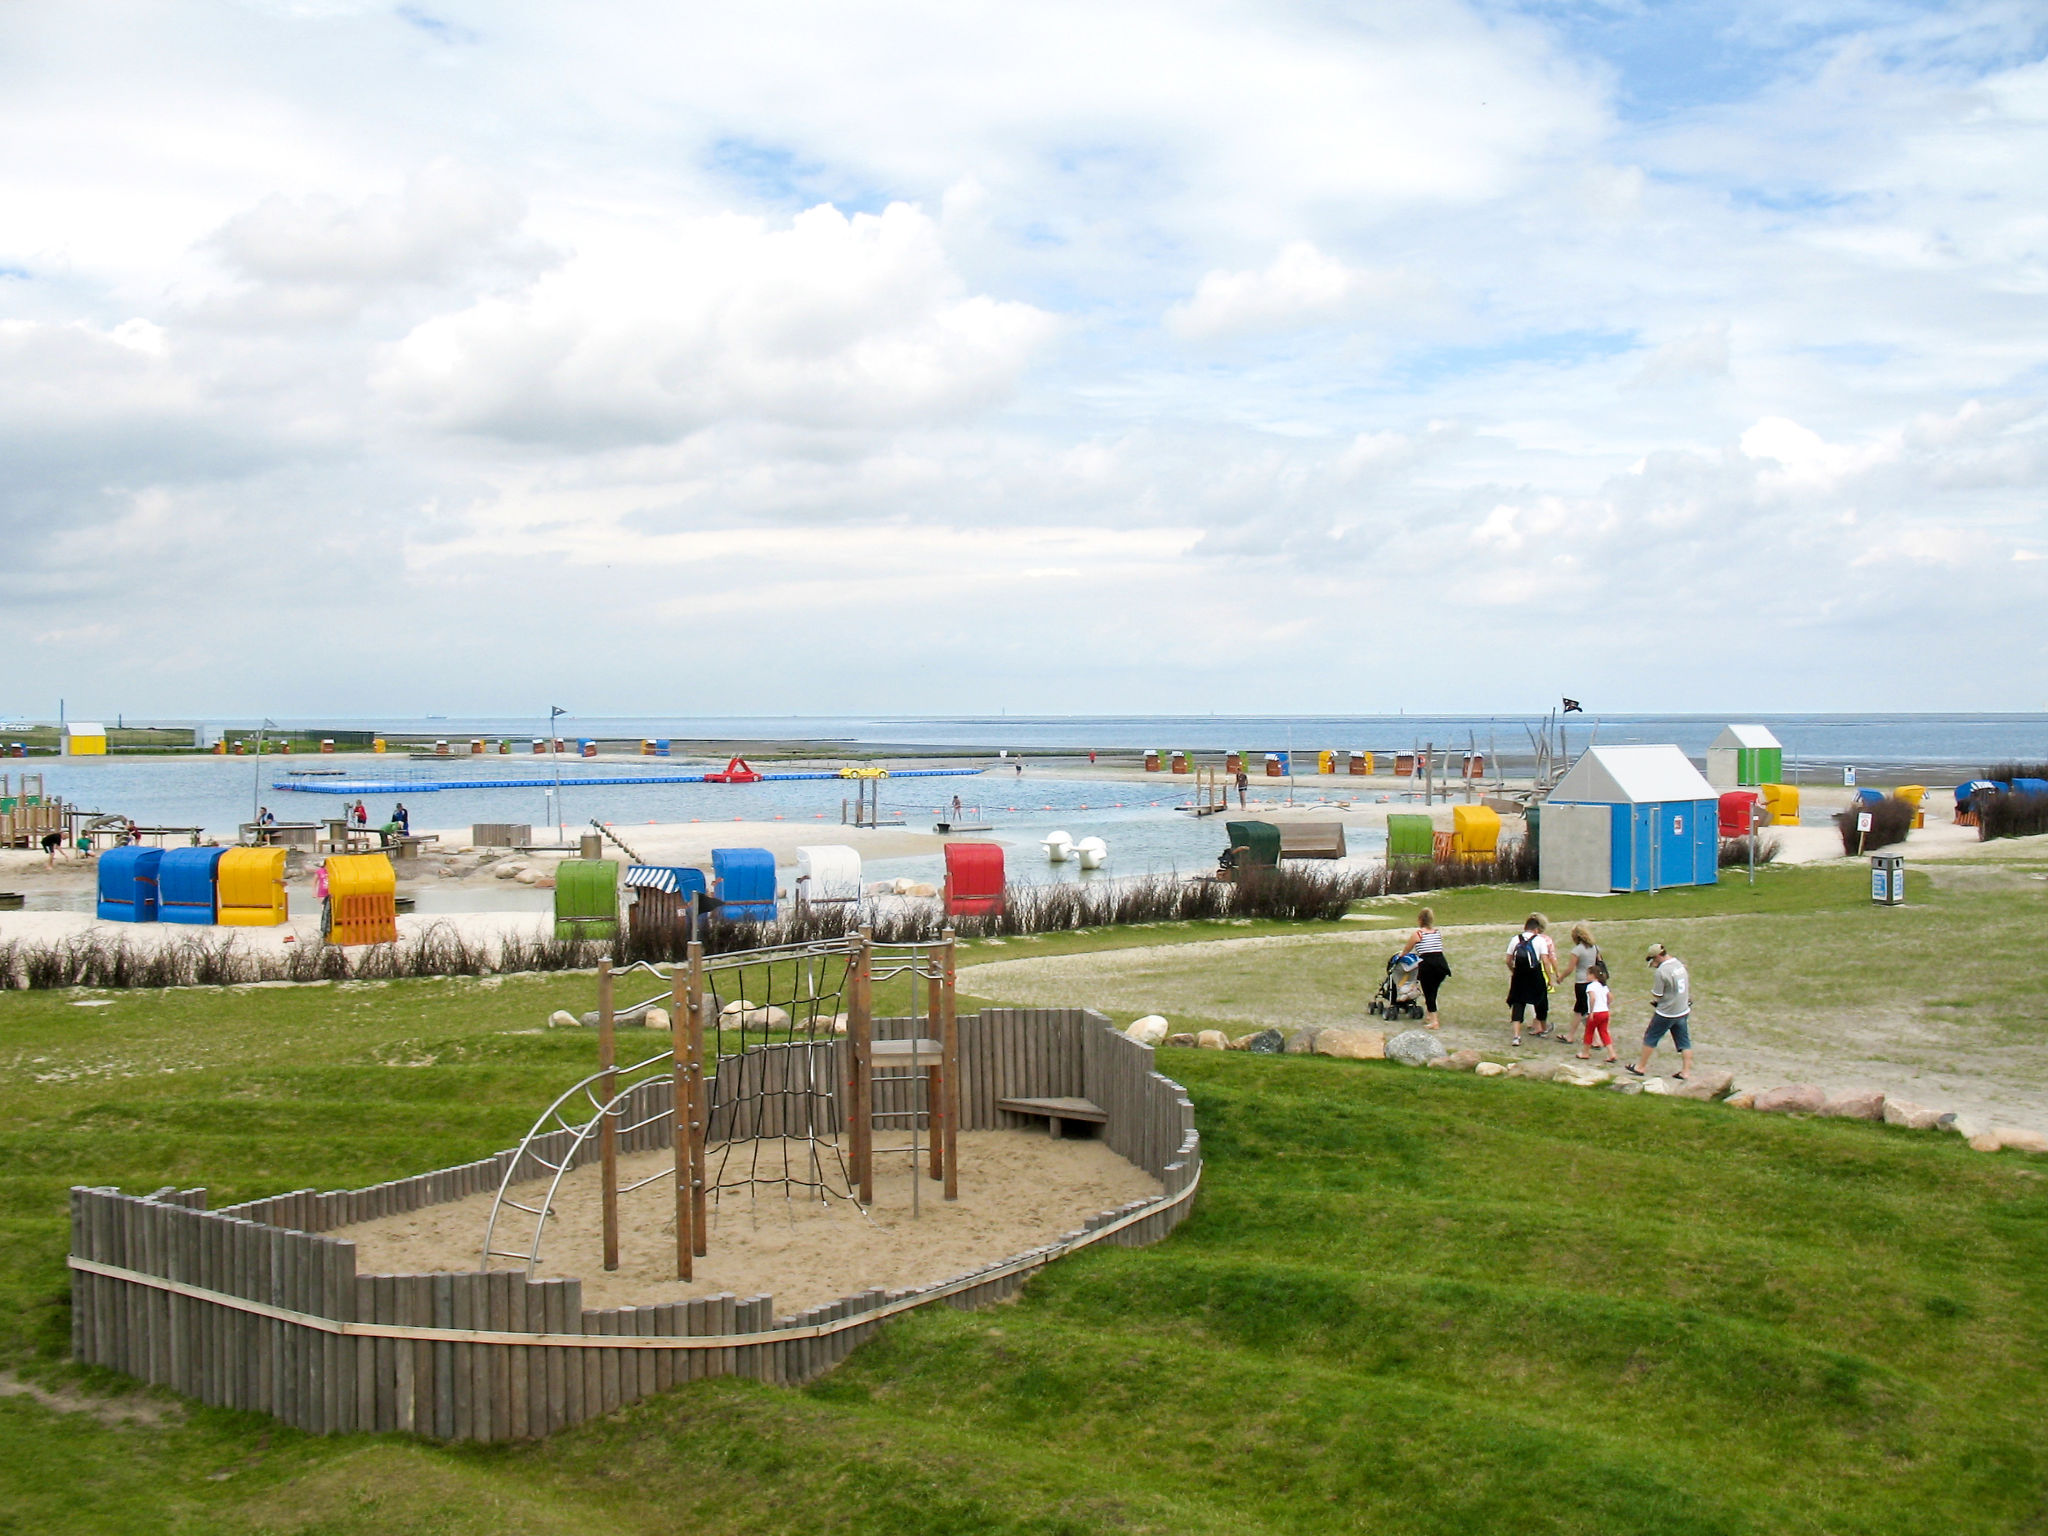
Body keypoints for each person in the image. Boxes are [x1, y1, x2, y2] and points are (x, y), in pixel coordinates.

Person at [1630, 943, 1696, 1080]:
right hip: (1682, 1009)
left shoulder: (1661, 972)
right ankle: (1686, 1071)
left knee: (1651, 1037)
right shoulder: (1678, 964)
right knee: (1684, 1041)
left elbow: (1658, 994)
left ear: (1658, 956)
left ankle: (1640, 1067)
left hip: (1667, 1012)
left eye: (1653, 959)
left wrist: (1656, 998)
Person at [1502, 912, 1558, 1048]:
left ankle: (1516, 1036)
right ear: (1536, 929)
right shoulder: (1540, 940)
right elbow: (1545, 960)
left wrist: (1513, 971)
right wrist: (1550, 979)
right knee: (1541, 1001)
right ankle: (1544, 1028)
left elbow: (1508, 960)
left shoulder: (1515, 939)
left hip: (1519, 975)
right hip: (1535, 974)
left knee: (1518, 1003)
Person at [1399, 906, 1451, 1030]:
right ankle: (1429, 1015)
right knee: (1433, 991)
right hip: (1441, 965)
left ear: (1420, 919)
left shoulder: (1418, 934)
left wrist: (1401, 955)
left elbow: (1407, 949)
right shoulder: (1437, 932)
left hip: (1428, 965)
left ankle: (1434, 1022)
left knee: (1429, 993)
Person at [1577, 960, 1617, 1062]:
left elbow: (1592, 998)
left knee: (1589, 1032)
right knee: (1604, 1032)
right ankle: (1612, 1053)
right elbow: (1611, 997)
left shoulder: (1591, 986)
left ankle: (1585, 1053)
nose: (1586, 976)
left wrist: (1591, 1011)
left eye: (1588, 974)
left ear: (1592, 975)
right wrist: (1606, 1005)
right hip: (1605, 1012)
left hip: (1596, 1013)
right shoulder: (1603, 985)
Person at [1566, 924, 1601, 1038]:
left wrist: (1560, 977)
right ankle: (1570, 1035)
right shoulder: (1595, 947)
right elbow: (1599, 963)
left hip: (1581, 982)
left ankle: (1596, 1039)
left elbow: (1570, 968)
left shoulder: (1577, 950)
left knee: (1584, 1012)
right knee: (1579, 1010)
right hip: (1592, 981)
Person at [313, 859, 331, 938]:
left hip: (330, 893)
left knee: (330, 910)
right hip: (322, 893)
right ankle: (324, 928)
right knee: (324, 909)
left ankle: (328, 927)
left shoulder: (333, 871)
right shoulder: (320, 871)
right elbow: (314, 882)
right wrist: (314, 892)